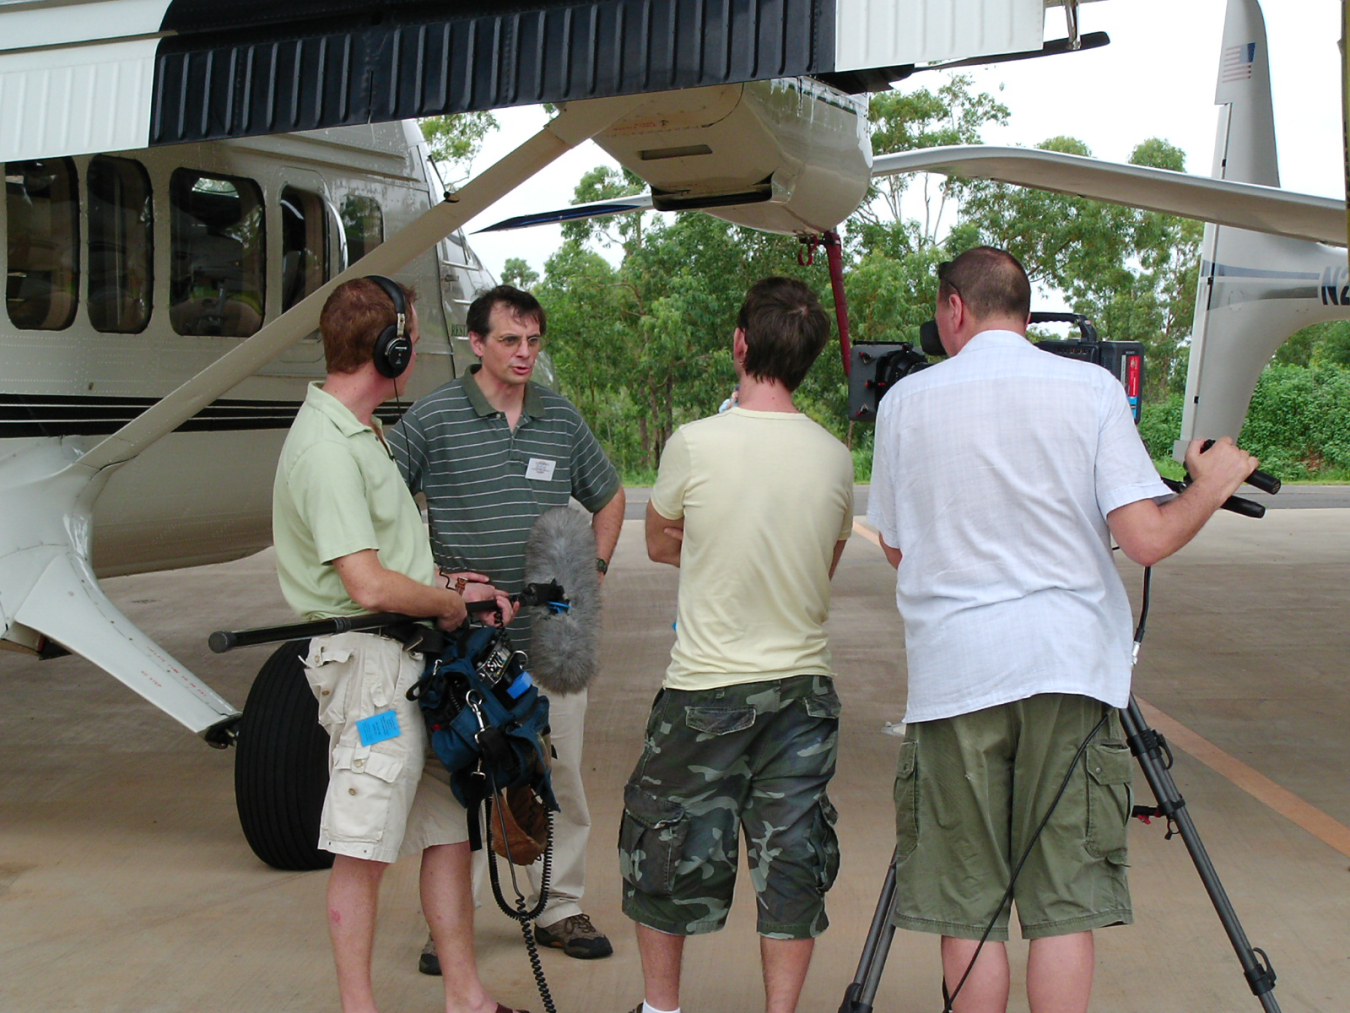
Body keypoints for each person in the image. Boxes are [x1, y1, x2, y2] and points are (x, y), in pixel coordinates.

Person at [867, 247, 1259, 1013]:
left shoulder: (906, 403)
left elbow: (895, 544)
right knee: (1062, 902)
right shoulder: (1091, 389)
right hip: (1070, 671)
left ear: (954, 309)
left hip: (955, 676)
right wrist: (1208, 486)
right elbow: (1144, 538)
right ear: (1024, 309)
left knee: (968, 906)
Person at [272, 276, 525, 1013]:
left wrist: (445, 583)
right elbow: (368, 584)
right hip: (372, 688)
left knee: (447, 828)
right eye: (411, 334)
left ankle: (467, 998)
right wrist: (448, 602)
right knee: (363, 839)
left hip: (411, 666)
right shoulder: (325, 447)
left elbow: (389, 567)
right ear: (394, 346)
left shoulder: (363, 434)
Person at [625, 277, 855, 1013]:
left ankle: (662, 1010)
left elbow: (661, 541)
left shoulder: (694, 442)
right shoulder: (832, 456)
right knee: (792, 857)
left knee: (665, 843)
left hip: (706, 689)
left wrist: (715, 542)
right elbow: (824, 563)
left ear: (740, 343)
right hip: (803, 691)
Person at [389, 284, 626, 966]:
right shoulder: (431, 421)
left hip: (553, 636)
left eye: (533, 341)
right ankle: (451, 922)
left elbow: (608, 497)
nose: (525, 354)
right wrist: (439, 584)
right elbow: (381, 506)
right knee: (461, 779)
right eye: (511, 341)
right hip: (469, 641)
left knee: (562, 773)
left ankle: (561, 906)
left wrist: (595, 568)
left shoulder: (559, 418)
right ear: (477, 344)